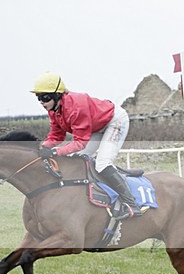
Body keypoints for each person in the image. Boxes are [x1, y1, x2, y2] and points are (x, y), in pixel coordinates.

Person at [31, 71, 145, 219]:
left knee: (102, 163)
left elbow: (80, 143)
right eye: (38, 97)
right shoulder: (54, 111)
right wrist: (44, 146)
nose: (41, 102)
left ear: (57, 95)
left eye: (45, 97)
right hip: (96, 127)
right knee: (79, 158)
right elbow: (57, 136)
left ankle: (132, 204)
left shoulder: (75, 107)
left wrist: (55, 152)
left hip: (114, 121)